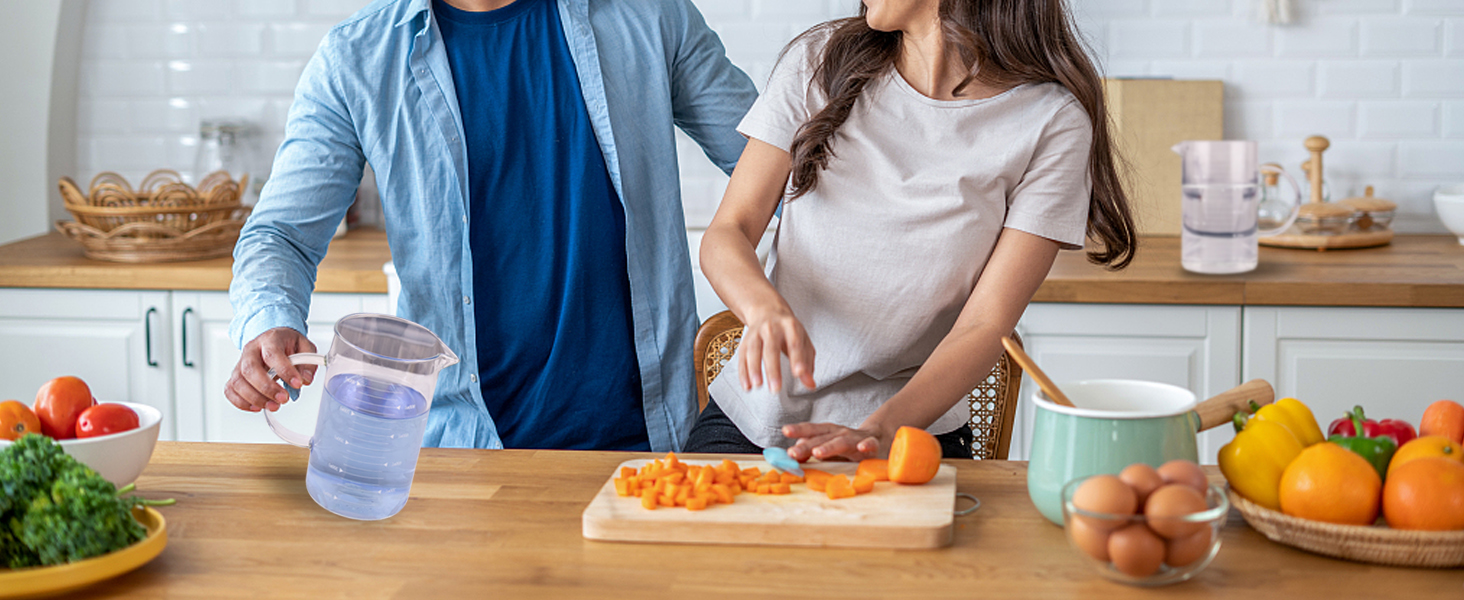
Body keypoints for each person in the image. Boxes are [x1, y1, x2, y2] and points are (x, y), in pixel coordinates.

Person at [224, 0, 757, 452]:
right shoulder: (357, 57)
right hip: (467, 454)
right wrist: (267, 321)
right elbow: (281, 234)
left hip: (649, 450)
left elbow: (785, 168)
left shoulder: (649, 15)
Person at [687, 0, 1136, 461]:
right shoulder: (818, 62)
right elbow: (729, 231)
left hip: (911, 431)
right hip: (754, 421)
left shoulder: (1053, 122)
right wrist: (762, 308)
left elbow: (986, 324)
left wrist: (879, 430)